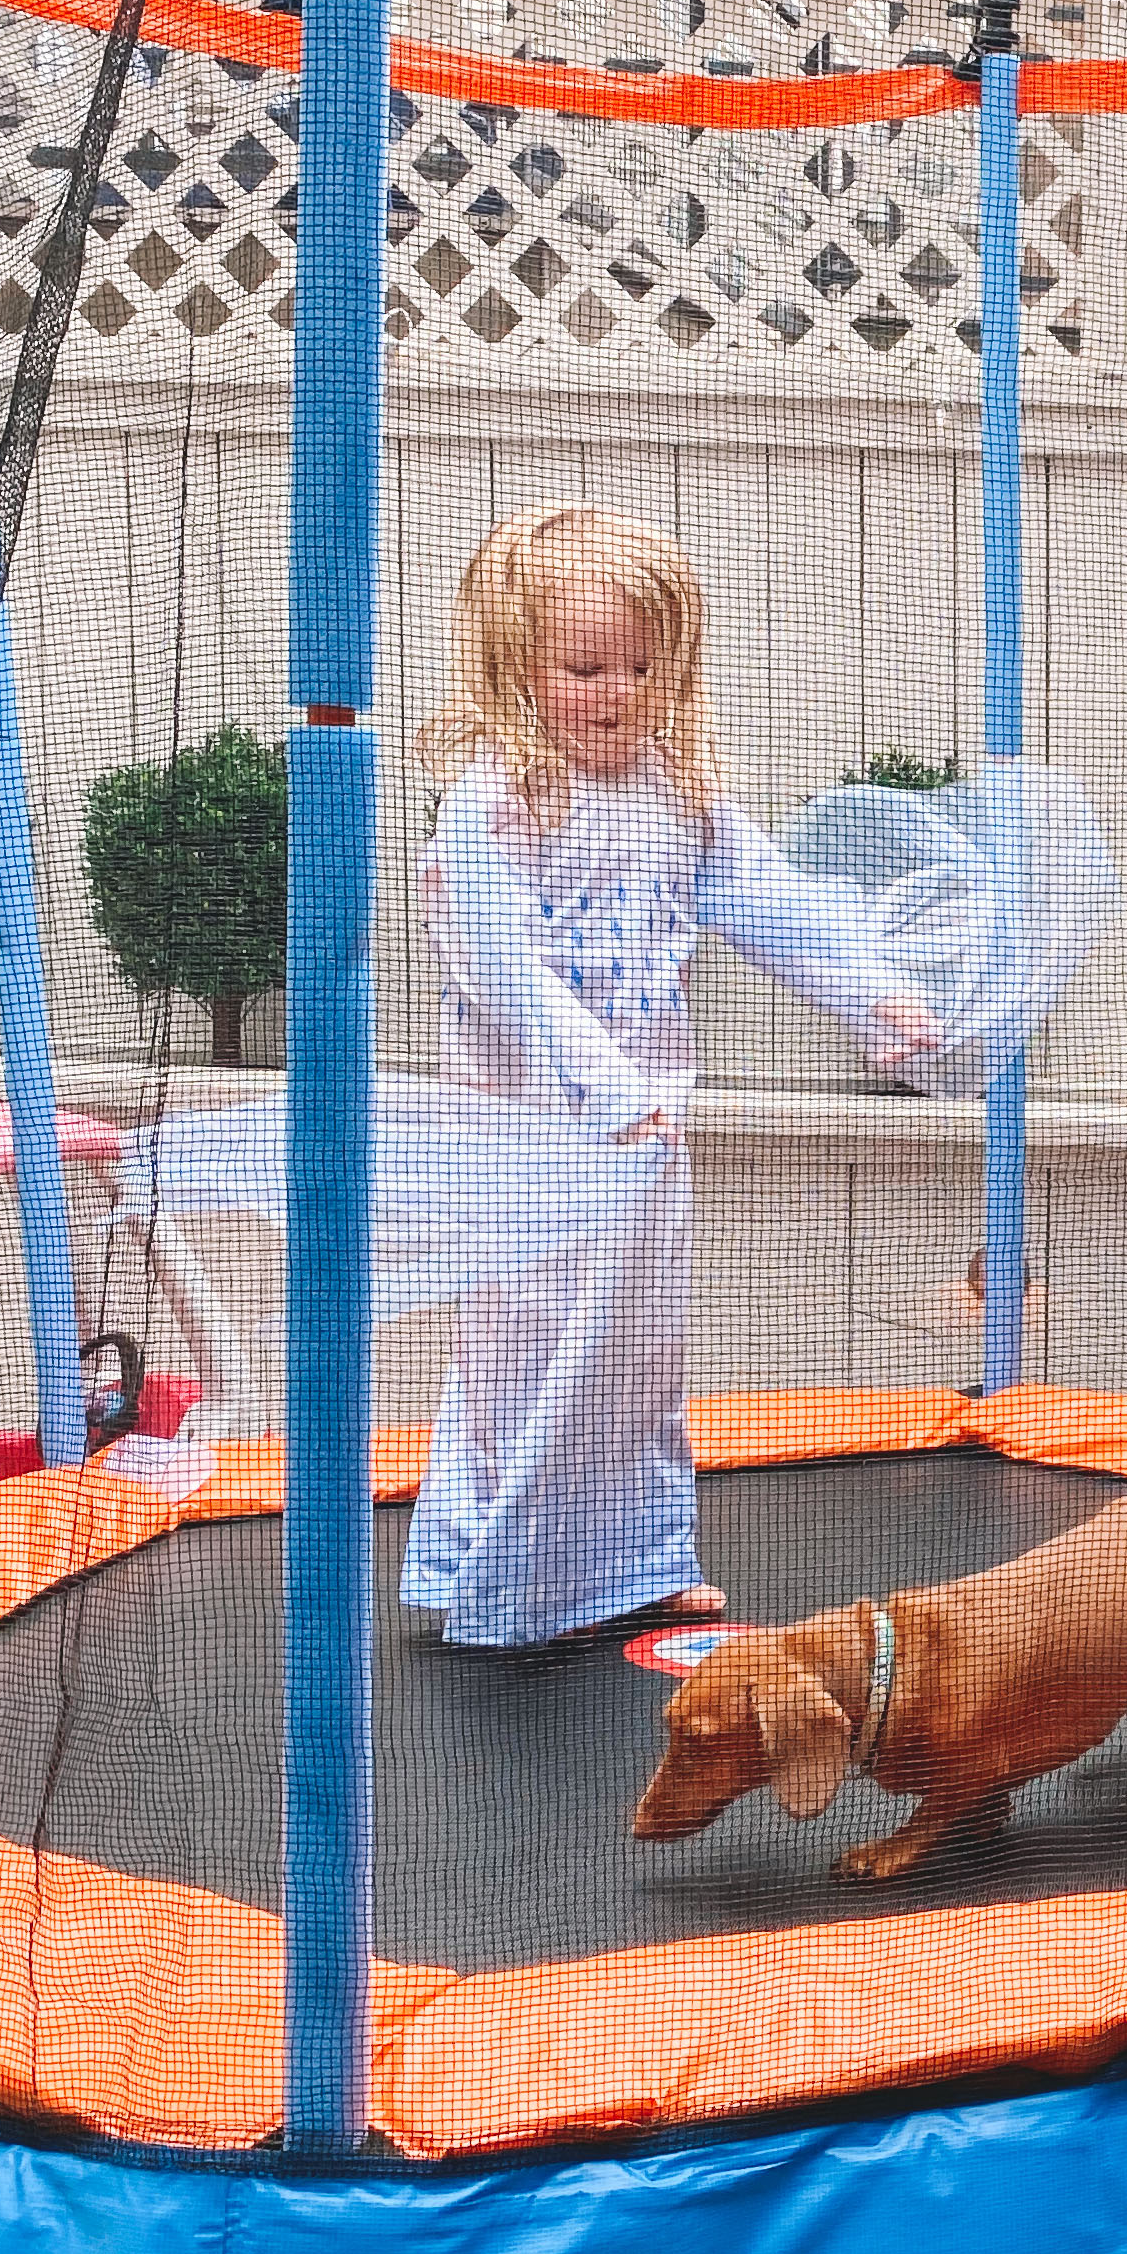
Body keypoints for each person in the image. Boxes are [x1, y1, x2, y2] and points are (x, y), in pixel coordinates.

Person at [409, 503, 935, 1648]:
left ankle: (640, 1559)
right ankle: (497, 1566)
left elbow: (773, 906)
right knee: (524, 1345)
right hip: (530, 1137)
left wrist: (874, 994)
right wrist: (602, 1085)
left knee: (643, 1346)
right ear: (516, 668)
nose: (616, 693)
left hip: (646, 1130)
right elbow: (500, 966)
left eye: (643, 668)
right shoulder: (499, 805)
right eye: (585, 667)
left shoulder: (674, 792)